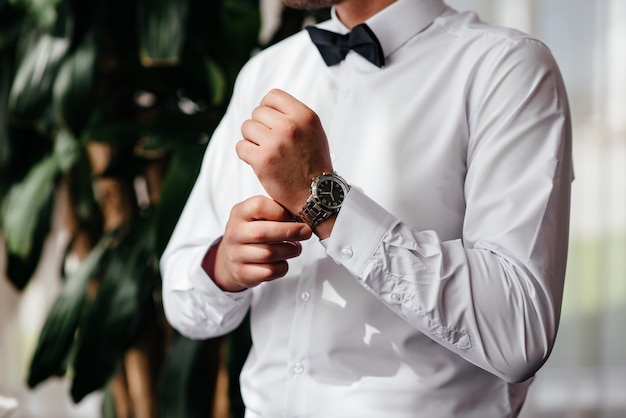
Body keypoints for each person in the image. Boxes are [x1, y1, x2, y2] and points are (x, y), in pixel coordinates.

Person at [160, 0, 573, 416]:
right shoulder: (266, 72)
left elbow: (520, 333)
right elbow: (182, 302)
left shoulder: (506, 68)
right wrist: (225, 268)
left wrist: (321, 199)